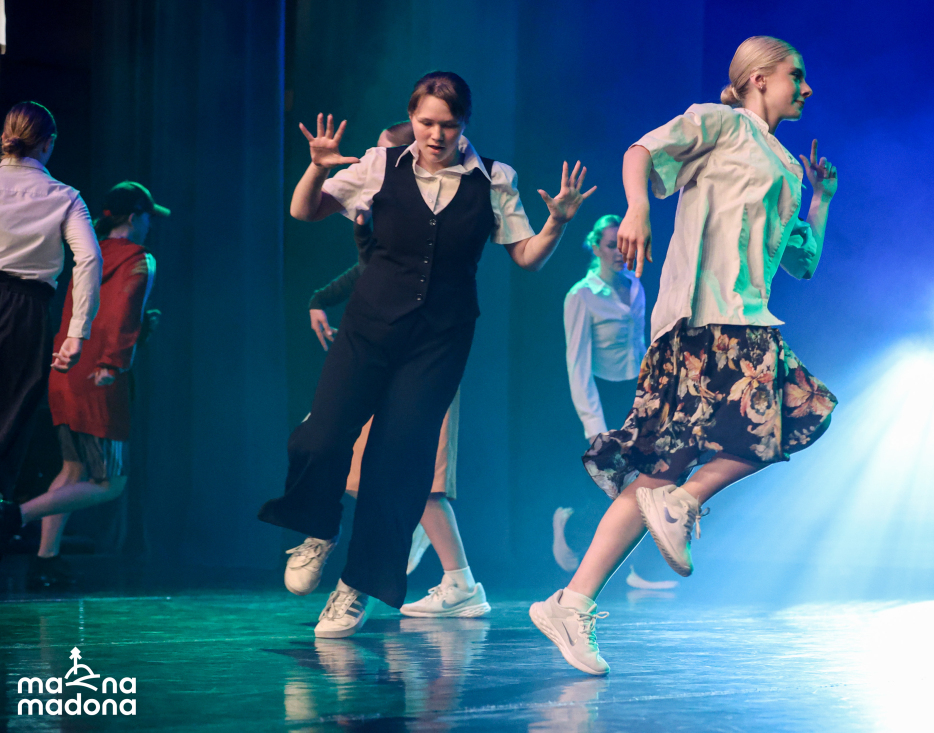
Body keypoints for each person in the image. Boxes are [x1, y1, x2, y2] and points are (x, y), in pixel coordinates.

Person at [531, 36, 839, 676]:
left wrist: (821, 200)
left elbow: (803, 262)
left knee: (656, 477)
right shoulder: (721, 122)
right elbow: (640, 151)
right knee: (795, 413)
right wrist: (637, 207)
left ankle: (571, 601)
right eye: (796, 75)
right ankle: (685, 501)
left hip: (743, 317)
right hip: (704, 319)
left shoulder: (785, 164)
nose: (806, 88)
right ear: (759, 78)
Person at [259, 71, 595, 639]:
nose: (436, 135)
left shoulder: (494, 179)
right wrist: (316, 166)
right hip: (368, 328)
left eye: (449, 125)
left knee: (398, 466)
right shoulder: (380, 164)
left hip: (439, 341)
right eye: (426, 122)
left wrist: (557, 223)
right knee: (320, 436)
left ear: (465, 124)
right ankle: (320, 530)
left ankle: (355, 588)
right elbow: (303, 210)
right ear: (412, 117)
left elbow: (527, 257)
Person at [292, 119, 480, 614]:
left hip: (427, 356)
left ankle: (451, 580)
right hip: (380, 349)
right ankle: (330, 538)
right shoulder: (377, 208)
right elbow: (369, 270)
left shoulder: (443, 208)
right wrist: (320, 297)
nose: (375, 166)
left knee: (415, 479)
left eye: (385, 156)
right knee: (344, 452)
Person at [14, 182, 165, 588]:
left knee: (73, 468)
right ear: (134, 217)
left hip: (66, 372)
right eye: (148, 217)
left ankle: (45, 560)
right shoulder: (139, 258)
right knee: (109, 483)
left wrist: (136, 336)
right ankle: (14, 516)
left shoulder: (91, 254)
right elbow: (122, 310)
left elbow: (90, 315)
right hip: (100, 376)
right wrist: (113, 362)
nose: (150, 226)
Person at [555, 214, 677, 595]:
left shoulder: (634, 285)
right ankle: (569, 526)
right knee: (612, 489)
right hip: (601, 396)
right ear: (595, 247)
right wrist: (594, 426)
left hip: (635, 393)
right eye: (611, 245)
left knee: (647, 479)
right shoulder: (581, 295)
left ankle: (640, 567)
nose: (620, 253)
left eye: (623, 245)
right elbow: (577, 365)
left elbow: (640, 344)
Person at [0, 102, 101, 551]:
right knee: (10, 422)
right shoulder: (64, 195)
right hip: (25, 312)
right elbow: (89, 258)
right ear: (49, 143)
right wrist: (77, 330)